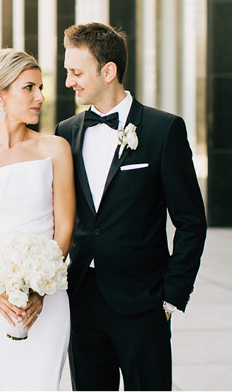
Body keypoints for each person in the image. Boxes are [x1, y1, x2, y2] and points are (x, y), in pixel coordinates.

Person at [54, 22, 207, 391]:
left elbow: (190, 221)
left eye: (76, 72)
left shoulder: (162, 129)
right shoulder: (65, 133)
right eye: (67, 72)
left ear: (108, 71)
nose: (68, 82)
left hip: (144, 302)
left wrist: (172, 295)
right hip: (81, 298)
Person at [0, 48, 76, 391]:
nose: (40, 97)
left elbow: (65, 226)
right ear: (0, 95)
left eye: (40, 87)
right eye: (29, 88)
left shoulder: (55, 149)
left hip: (44, 302)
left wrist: (39, 289)